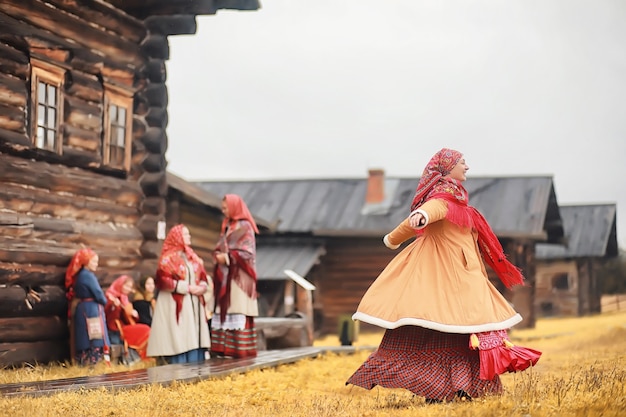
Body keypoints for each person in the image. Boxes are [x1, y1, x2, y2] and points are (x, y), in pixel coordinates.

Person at [346, 148, 541, 403]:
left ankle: (461, 387)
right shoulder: (442, 199)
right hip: (441, 280)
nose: (467, 166)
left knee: (463, 337)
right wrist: (417, 219)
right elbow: (430, 211)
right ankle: (438, 390)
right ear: (448, 168)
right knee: (442, 332)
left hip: (465, 280)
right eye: (462, 162)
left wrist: (395, 237)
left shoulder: (459, 202)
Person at [147, 224, 212, 364]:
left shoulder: (191, 256)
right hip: (175, 302)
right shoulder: (168, 258)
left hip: (193, 303)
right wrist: (186, 287)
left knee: (193, 335)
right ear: (177, 237)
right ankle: (179, 367)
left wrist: (202, 286)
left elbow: (202, 275)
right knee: (180, 336)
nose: (189, 237)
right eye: (186, 234)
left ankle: (197, 364)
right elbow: (162, 281)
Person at [211, 194, 260, 359]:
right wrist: (218, 253)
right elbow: (221, 245)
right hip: (225, 275)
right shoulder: (226, 225)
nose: (223, 211)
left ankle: (238, 350)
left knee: (237, 309)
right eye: (223, 208)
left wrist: (227, 257)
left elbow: (247, 253)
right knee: (226, 310)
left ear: (234, 207)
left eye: (225, 208)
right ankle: (222, 350)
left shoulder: (245, 226)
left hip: (239, 277)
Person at [65, 247, 111, 366]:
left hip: (85, 308)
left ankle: (86, 360)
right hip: (90, 310)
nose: (96, 264)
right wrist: (105, 301)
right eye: (94, 261)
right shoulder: (88, 276)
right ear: (86, 262)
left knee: (87, 335)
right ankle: (92, 360)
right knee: (93, 336)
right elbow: (98, 293)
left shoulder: (81, 275)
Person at [104, 275, 151, 364]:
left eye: (130, 287)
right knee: (145, 329)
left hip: (124, 325)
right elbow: (108, 315)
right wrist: (113, 306)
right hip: (115, 328)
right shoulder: (110, 296)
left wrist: (134, 314)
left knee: (145, 329)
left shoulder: (124, 298)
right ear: (120, 285)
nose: (128, 289)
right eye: (126, 286)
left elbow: (127, 317)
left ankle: (144, 358)